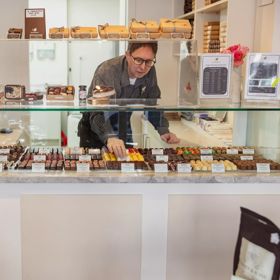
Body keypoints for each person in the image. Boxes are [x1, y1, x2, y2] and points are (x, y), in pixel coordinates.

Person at [78, 42, 180, 158]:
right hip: (95, 131)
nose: (143, 67)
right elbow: (97, 112)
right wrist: (110, 136)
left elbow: (151, 104)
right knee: (97, 171)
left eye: (148, 61)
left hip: (123, 127)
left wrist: (163, 130)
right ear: (127, 55)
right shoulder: (107, 70)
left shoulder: (149, 70)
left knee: (127, 168)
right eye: (138, 60)